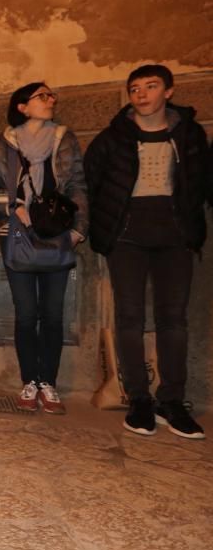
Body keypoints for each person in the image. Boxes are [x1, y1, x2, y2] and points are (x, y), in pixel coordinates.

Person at [85, 64, 212, 440]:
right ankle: (139, 398)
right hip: (128, 234)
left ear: (168, 92)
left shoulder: (188, 134)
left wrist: (190, 227)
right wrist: (106, 230)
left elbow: (200, 183)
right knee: (129, 316)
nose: (141, 94)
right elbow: (94, 184)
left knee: (174, 318)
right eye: (135, 88)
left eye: (151, 86)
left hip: (175, 233)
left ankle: (172, 400)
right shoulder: (113, 138)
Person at [0, 83, 88, 414]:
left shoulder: (63, 139)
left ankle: (47, 383)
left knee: (53, 314)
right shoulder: (3, 145)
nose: (50, 100)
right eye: (42, 96)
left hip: (58, 234)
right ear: (22, 106)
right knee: (25, 314)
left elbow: (78, 184)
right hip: (19, 236)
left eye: (51, 95)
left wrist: (79, 230)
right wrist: (11, 207)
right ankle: (29, 381)